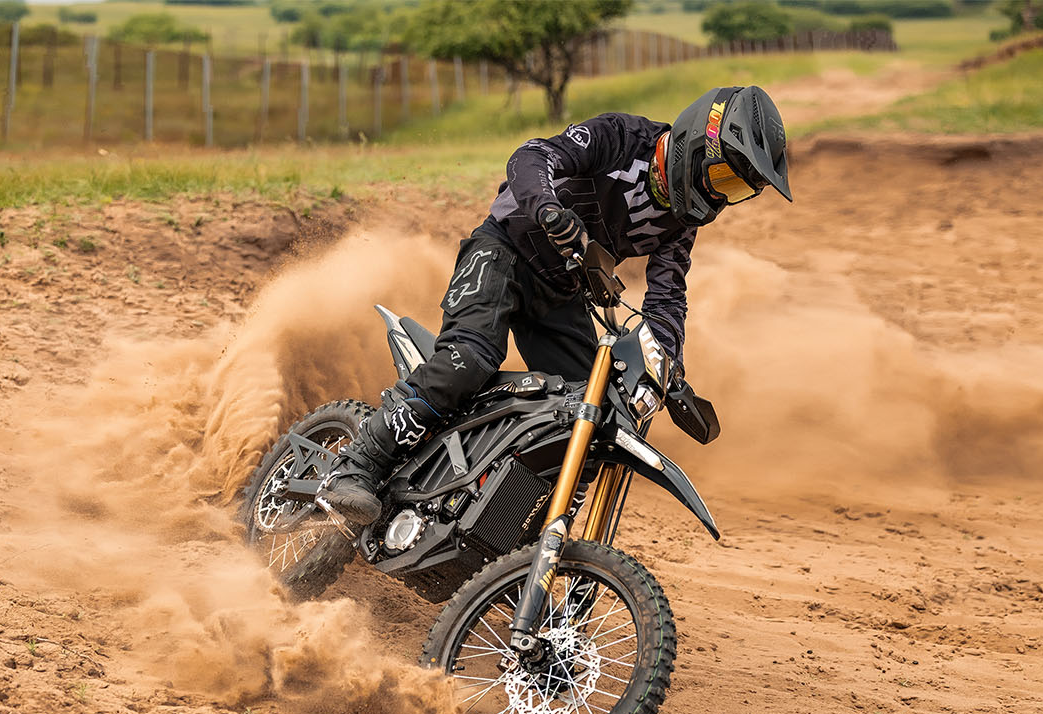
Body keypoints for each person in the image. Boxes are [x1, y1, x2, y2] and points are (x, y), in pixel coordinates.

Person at [317, 85, 792, 526]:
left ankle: (504, 530)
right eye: (722, 176)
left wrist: (667, 362)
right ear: (696, 143)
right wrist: (547, 209)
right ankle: (357, 464)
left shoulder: (680, 223)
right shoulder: (622, 138)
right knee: (469, 360)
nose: (720, 195)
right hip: (503, 250)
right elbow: (532, 156)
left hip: (562, 293)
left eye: (735, 189)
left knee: (593, 415)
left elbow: (668, 296)